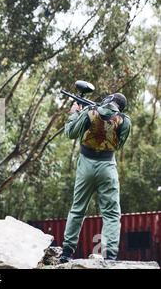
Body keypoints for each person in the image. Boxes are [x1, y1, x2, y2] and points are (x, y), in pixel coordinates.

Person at [59, 92, 131, 262]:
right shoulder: (125, 120)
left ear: (109, 99)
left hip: (86, 165)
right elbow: (118, 144)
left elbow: (70, 133)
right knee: (112, 214)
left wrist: (75, 112)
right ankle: (110, 256)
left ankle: (66, 253)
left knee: (77, 209)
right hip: (108, 166)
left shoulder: (90, 111)